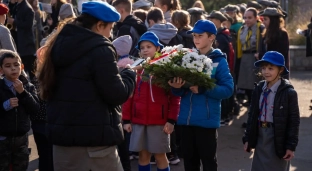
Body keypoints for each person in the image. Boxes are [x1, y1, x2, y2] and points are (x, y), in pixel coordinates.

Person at [36, 1, 136, 170]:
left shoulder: (57, 43)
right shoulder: (100, 49)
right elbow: (116, 94)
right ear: (99, 25)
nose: (110, 35)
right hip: (94, 143)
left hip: (62, 143)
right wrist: (129, 75)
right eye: (110, 29)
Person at [168, 19, 233, 171]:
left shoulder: (219, 61)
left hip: (206, 122)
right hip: (185, 121)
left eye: (200, 36)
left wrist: (204, 89)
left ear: (211, 37)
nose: (196, 39)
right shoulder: (186, 57)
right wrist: (176, 87)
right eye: (194, 36)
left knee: (209, 162)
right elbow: (180, 90)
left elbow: (228, 89)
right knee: (190, 163)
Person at [122, 31, 180, 171]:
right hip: (138, 121)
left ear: (158, 48)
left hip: (159, 122)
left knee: (160, 156)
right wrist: (126, 120)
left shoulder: (165, 69)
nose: (145, 50)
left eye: (149, 46)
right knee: (143, 156)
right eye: (142, 47)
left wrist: (171, 120)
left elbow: (174, 97)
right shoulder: (135, 69)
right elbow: (128, 96)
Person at [243, 51, 300, 171]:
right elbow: (252, 115)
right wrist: (248, 138)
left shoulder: (288, 93)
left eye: (271, 68)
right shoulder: (259, 88)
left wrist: (290, 146)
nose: (266, 72)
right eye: (263, 68)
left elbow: (293, 121)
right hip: (260, 136)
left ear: (280, 70)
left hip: (278, 137)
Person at [0, 50, 39, 170]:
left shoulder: (28, 86)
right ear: (1, 70)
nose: (13, 69)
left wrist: (23, 93)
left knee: (21, 166)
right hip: (2, 138)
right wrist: (5, 105)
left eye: (16, 65)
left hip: (21, 138)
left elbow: (35, 109)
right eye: (8, 66)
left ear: (22, 66)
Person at [237, 7, 265, 106]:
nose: (247, 20)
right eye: (245, 17)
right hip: (244, 57)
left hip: (255, 56)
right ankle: (249, 101)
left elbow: (262, 44)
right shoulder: (242, 28)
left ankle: (256, 102)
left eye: (250, 17)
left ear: (256, 17)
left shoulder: (260, 28)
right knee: (245, 82)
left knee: (255, 81)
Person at [6, 0, 36, 81]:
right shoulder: (17, 6)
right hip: (19, 43)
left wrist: (14, 21)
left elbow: (28, 25)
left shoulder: (27, 8)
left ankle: (34, 89)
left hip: (26, 45)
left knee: (30, 71)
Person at [258, 7, 290, 79]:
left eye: (265, 19)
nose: (263, 22)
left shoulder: (282, 34)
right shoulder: (266, 33)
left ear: (273, 20)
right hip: (267, 69)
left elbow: (280, 54)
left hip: (277, 71)